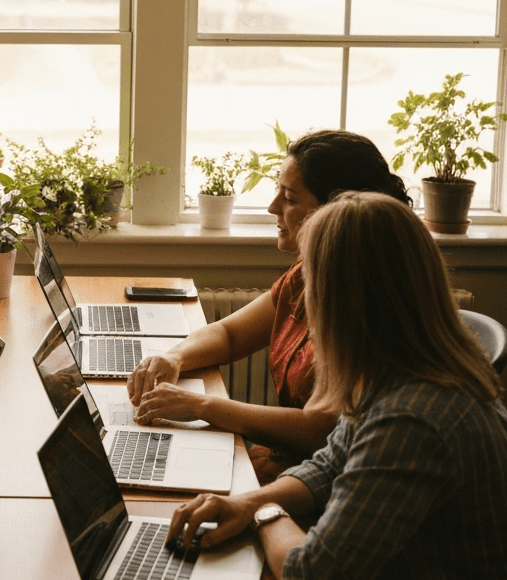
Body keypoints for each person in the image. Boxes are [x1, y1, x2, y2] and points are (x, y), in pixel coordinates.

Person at [166, 192, 507, 580]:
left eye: (313, 288)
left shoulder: (414, 416)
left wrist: (263, 509)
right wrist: (243, 502)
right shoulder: (401, 373)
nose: (303, 304)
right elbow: (330, 464)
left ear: (345, 301)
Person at [128, 130, 411, 480]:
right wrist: (175, 357)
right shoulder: (307, 272)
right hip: (286, 462)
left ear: (333, 212)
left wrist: (202, 406)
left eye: (289, 198)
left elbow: (322, 430)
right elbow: (230, 334)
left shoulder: (371, 305)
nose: (272, 207)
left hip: (318, 477)